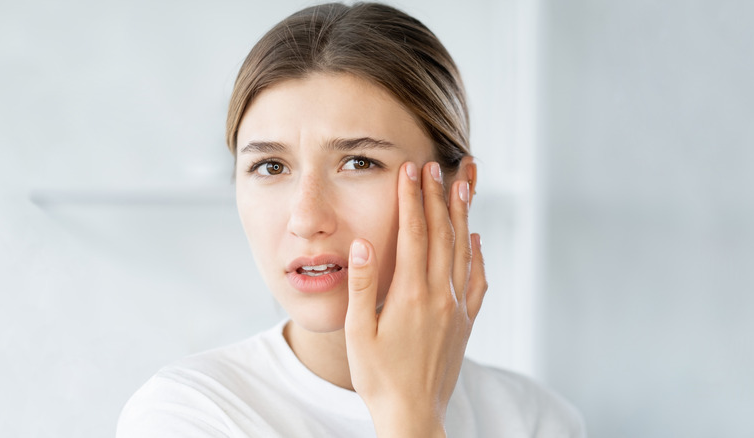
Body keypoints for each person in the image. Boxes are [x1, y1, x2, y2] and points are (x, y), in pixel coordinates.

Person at [116, 2, 585, 437]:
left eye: (359, 163)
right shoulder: (188, 414)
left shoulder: (534, 421)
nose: (306, 218)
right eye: (270, 167)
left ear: (457, 187)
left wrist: (411, 411)